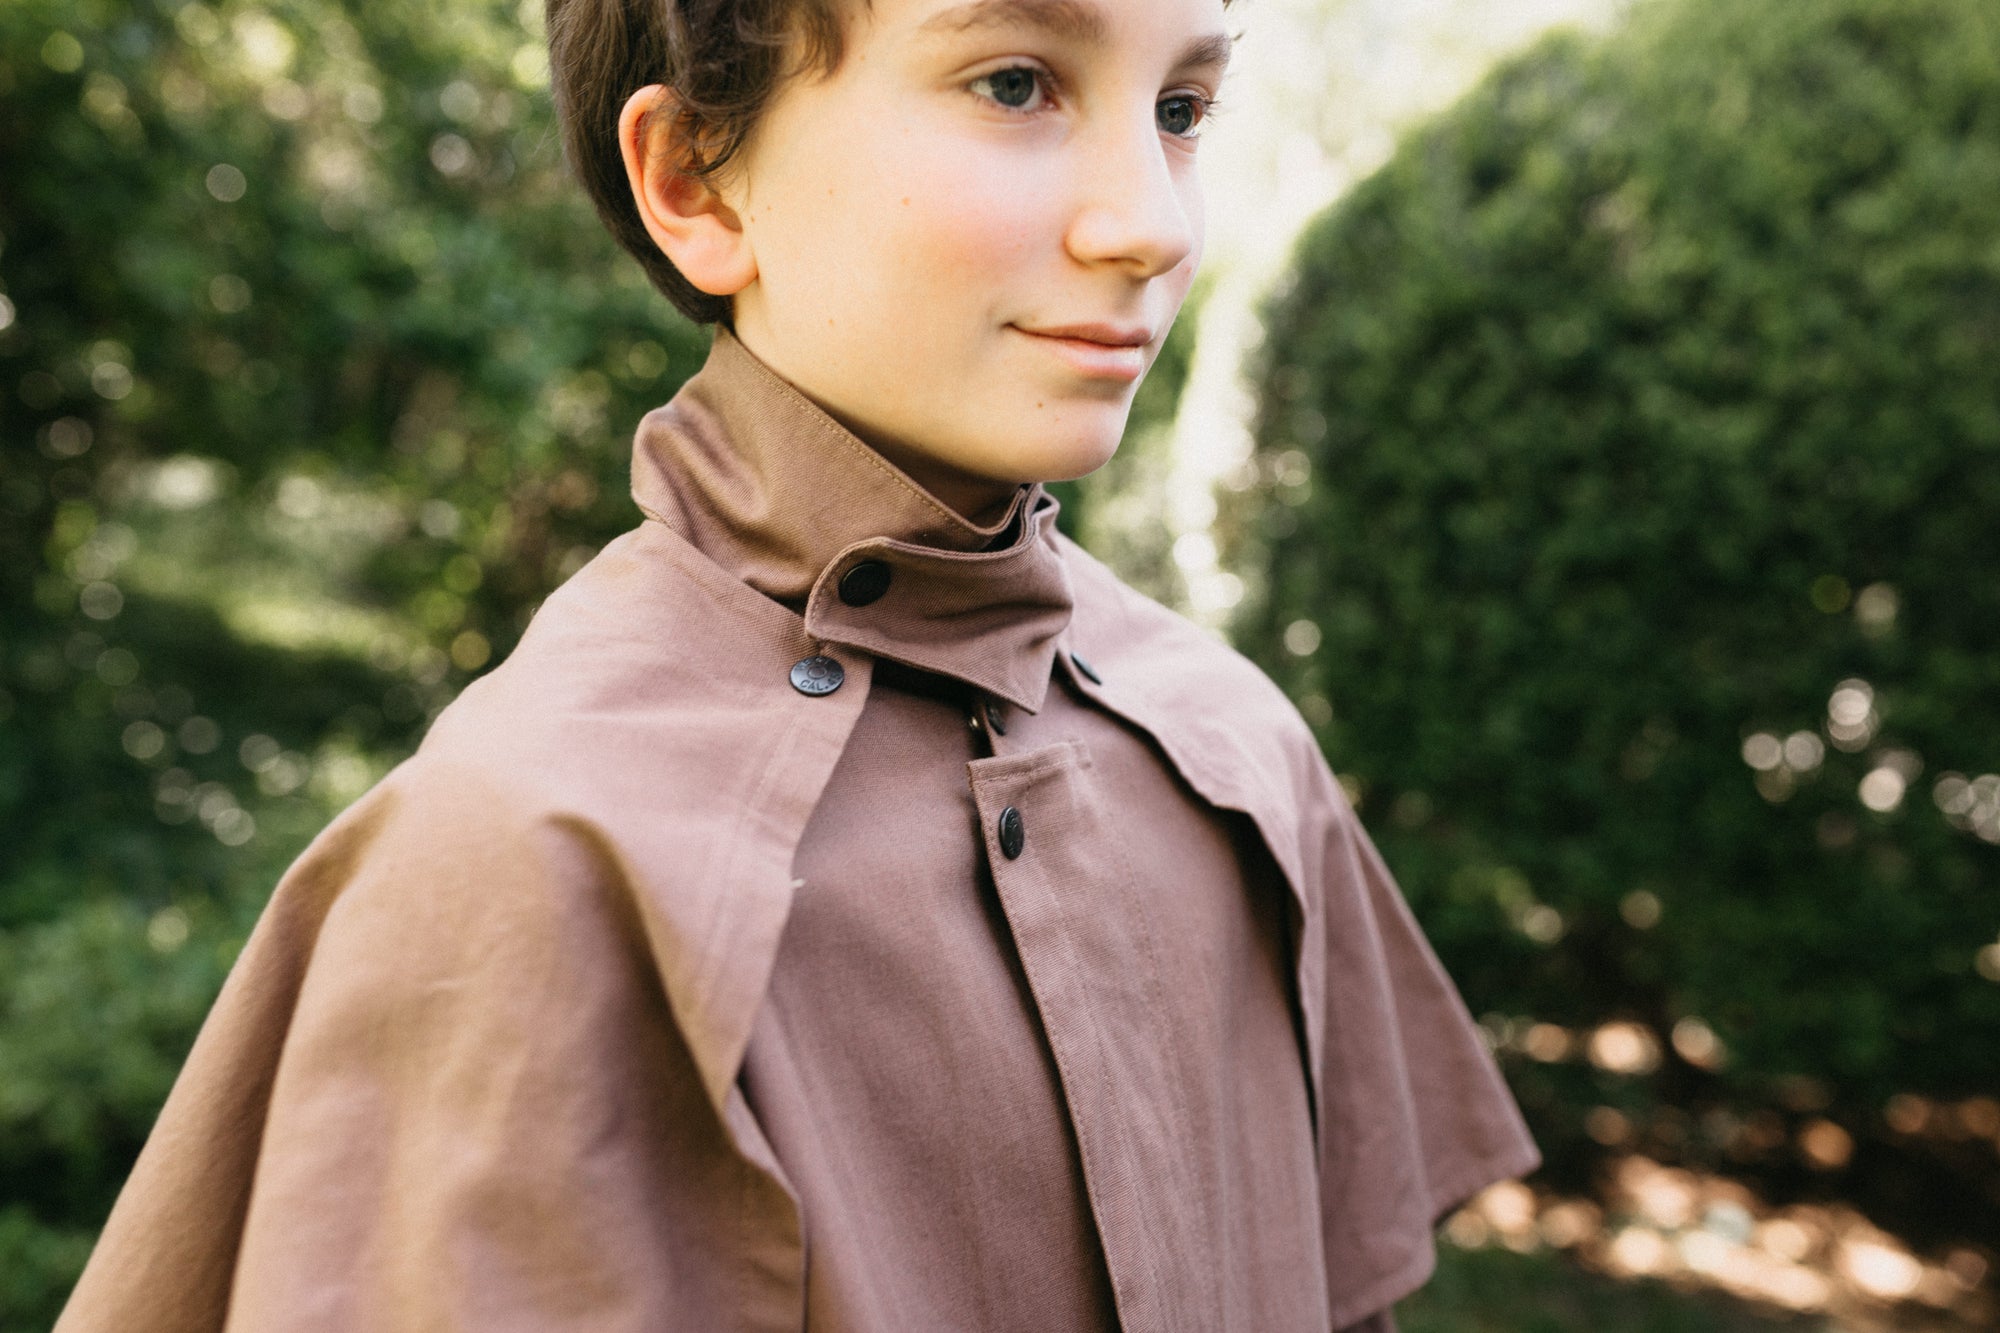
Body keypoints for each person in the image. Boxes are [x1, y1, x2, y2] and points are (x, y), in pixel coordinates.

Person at [58, 0, 1538, 1328]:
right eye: (1017, 82)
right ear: (696, 180)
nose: (1150, 223)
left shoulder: (1232, 745)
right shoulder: (530, 852)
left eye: (1181, 108)